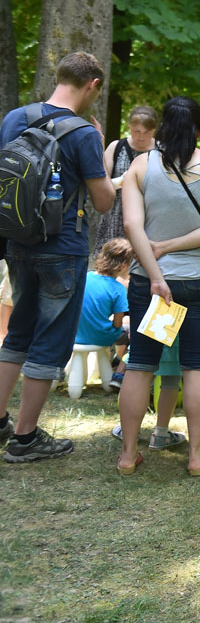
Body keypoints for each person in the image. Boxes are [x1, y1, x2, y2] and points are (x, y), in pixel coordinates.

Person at [0, 52, 115, 463]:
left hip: (17, 241)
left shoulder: (15, 118)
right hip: (62, 248)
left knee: (17, 333)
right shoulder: (84, 133)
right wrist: (99, 148)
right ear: (93, 85)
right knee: (50, 342)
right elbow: (103, 201)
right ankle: (25, 438)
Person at [117, 95, 200, 476]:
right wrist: (172, 248)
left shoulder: (141, 165)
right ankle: (196, 457)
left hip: (151, 285)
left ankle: (128, 455)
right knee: (196, 365)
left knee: (140, 365)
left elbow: (132, 226)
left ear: (163, 128)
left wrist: (156, 272)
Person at [93, 105, 157, 254]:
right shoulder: (116, 147)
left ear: (154, 130)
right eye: (136, 131)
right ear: (129, 127)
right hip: (116, 216)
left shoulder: (162, 150)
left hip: (150, 217)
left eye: (147, 132)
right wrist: (121, 181)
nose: (141, 137)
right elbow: (103, 181)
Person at [75, 237, 134, 390]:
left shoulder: (84, 277)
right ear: (123, 266)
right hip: (100, 336)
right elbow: (117, 324)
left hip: (75, 334)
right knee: (136, 334)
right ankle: (119, 374)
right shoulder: (118, 288)